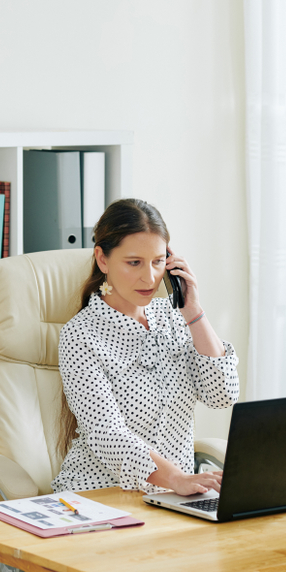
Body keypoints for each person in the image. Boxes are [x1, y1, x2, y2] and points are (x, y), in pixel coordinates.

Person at [51, 198, 240, 496]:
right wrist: (177, 479)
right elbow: (107, 435)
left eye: (158, 261)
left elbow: (223, 395)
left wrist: (193, 311)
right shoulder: (81, 336)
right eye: (134, 263)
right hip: (101, 494)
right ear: (102, 259)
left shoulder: (174, 317)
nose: (150, 277)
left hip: (175, 496)